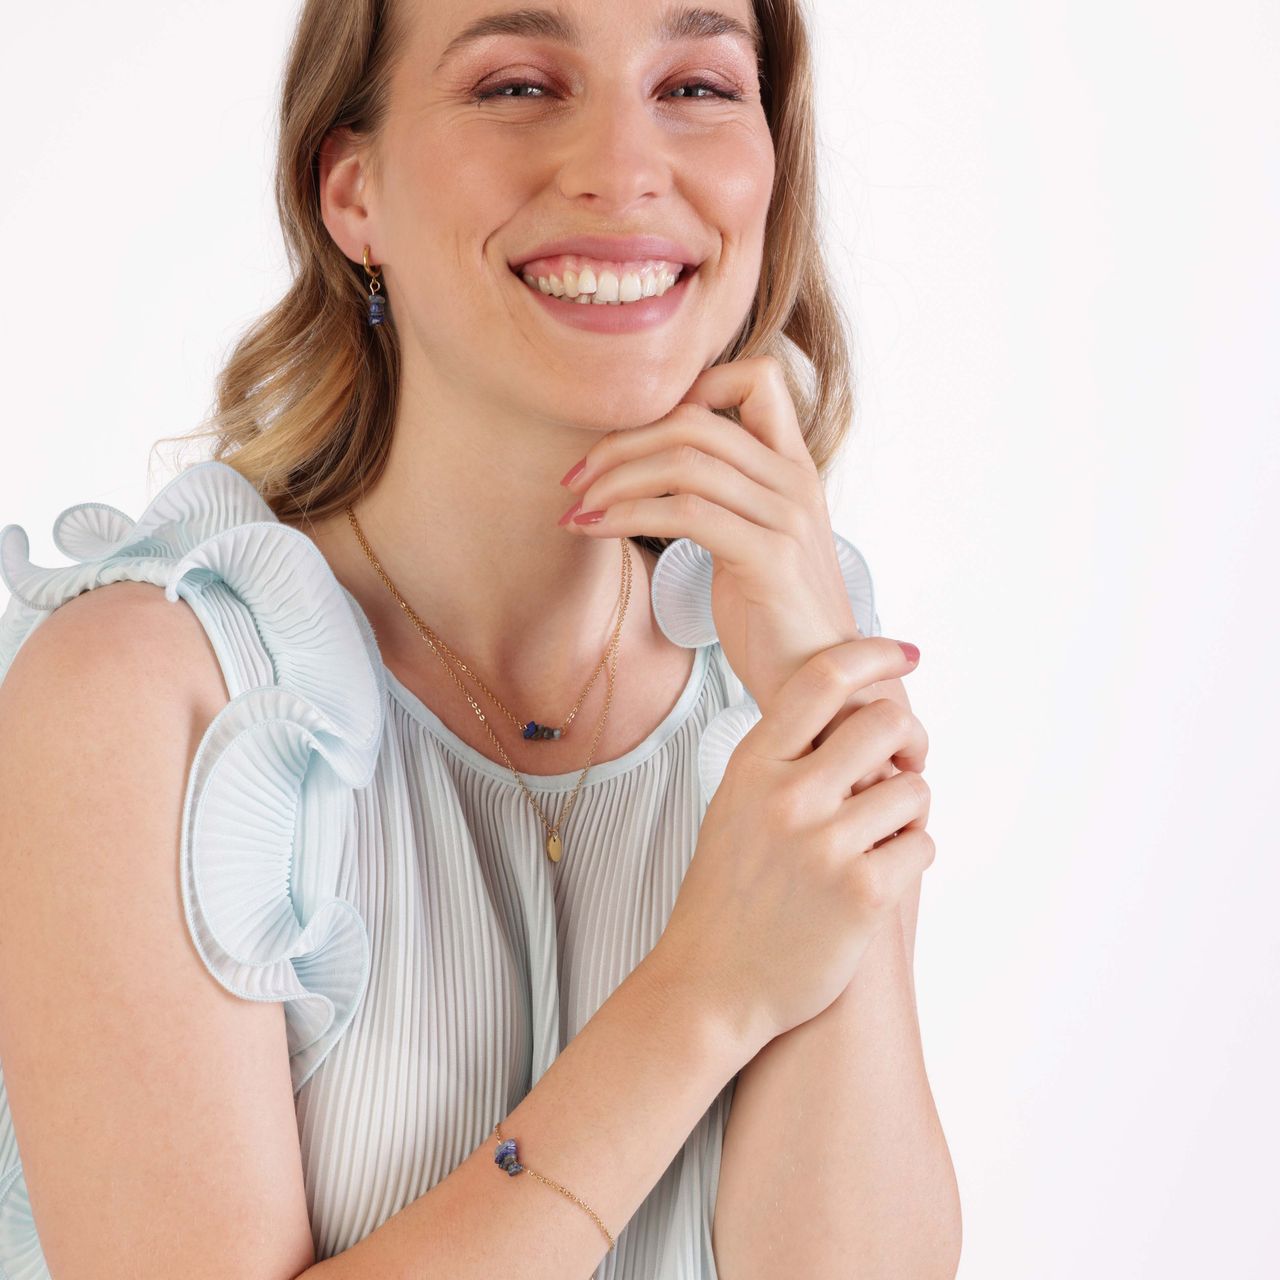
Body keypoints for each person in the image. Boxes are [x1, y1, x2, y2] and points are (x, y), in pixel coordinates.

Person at [0, 1, 959, 1276]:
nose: (624, 167)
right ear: (352, 194)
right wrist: (703, 993)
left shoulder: (777, 662)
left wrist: (814, 710)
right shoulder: (150, 698)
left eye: (697, 86)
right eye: (516, 85)